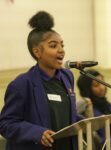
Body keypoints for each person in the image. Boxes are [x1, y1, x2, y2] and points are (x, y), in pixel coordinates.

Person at [0, 11, 83, 150]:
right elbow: (6, 123)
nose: (61, 50)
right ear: (37, 52)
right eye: (53, 46)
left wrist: (89, 122)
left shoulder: (67, 76)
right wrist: (37, 133)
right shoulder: (21, 84)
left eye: (62, 45)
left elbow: (64, 115)